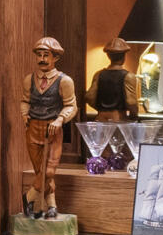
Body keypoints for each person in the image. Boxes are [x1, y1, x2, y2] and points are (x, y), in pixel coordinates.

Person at [20, 37, 80, 218]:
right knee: (41, 172)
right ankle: (52, 206)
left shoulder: (64, 81)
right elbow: (25, 101)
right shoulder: (29, 79)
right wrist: (24, 114)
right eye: (39, 55)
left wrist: (60, 119)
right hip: (33, 130)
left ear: (55, 58)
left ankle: (28, 196)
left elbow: (72, 106)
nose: (42, 59)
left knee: (49, 171)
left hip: (53, 132)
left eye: (46, 55)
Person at [87, 39, 139, 121]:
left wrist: (101, 109)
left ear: (108, 55)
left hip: (100, 119)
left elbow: (90, 97)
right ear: (124, 56)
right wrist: (134, 116)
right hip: (119, 119)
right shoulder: (128, 76)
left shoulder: (98, 75)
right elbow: (131, 102)